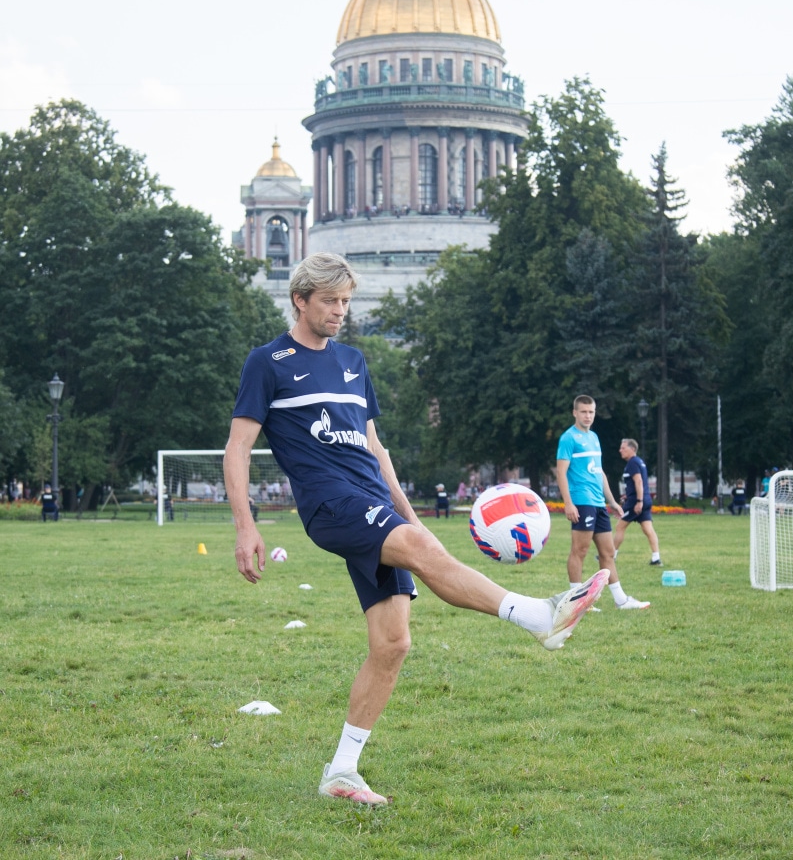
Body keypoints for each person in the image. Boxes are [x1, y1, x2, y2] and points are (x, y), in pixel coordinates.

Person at [224, 252, 610, 807]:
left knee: (393, 643)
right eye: (330, 301)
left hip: (373, 500)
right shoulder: (269, 362)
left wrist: (408, 513)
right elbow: (238, 448)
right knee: (413, 556)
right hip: (331, 505)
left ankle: (342, 772)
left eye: (347, 301)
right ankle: (538, 616)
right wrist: (245, 526)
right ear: (300, 300)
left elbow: (376, 448)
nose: (340, 311)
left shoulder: (355, 361)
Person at [556, 395, 650, 610]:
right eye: (584, 412)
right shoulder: (568, 438)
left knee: (607, 552)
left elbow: (600, 473)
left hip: (598, 503)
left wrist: (613, 502)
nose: (588, 416)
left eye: (591, 412)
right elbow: (561, 473)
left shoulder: (595, 437)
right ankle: (577, 601)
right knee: (579, 551)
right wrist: (568, 503)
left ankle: (621, 600)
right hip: (581, 501)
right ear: (575, 413)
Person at [614, 439, 662, 565]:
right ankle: (656, 558)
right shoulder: (639, 462)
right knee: (648, 529)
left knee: (619, 527)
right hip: (644, 499)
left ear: (632, 449)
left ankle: (611, 555)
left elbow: (639, 482)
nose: (620, 450)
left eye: (623, 448)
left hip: (636, 502)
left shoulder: (632, 463)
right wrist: (628, 495)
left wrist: (638, 501)